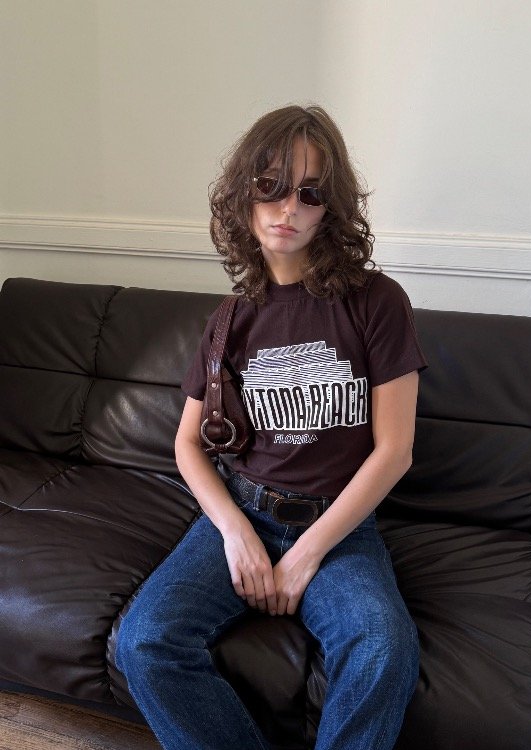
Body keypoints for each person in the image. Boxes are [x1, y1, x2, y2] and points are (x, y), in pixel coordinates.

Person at [116, 104, 428, 750]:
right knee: (143, 640)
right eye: (271, 186)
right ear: (244, 195)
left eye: (309, 192)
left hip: (337, 526)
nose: (288, 207)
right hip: (245, 510)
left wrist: (307, 553)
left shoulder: (377, 302)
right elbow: (188, 443)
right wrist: (234, 532)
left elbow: (394, 451)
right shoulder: (229, 320)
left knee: (383, 646)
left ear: (330, 209)